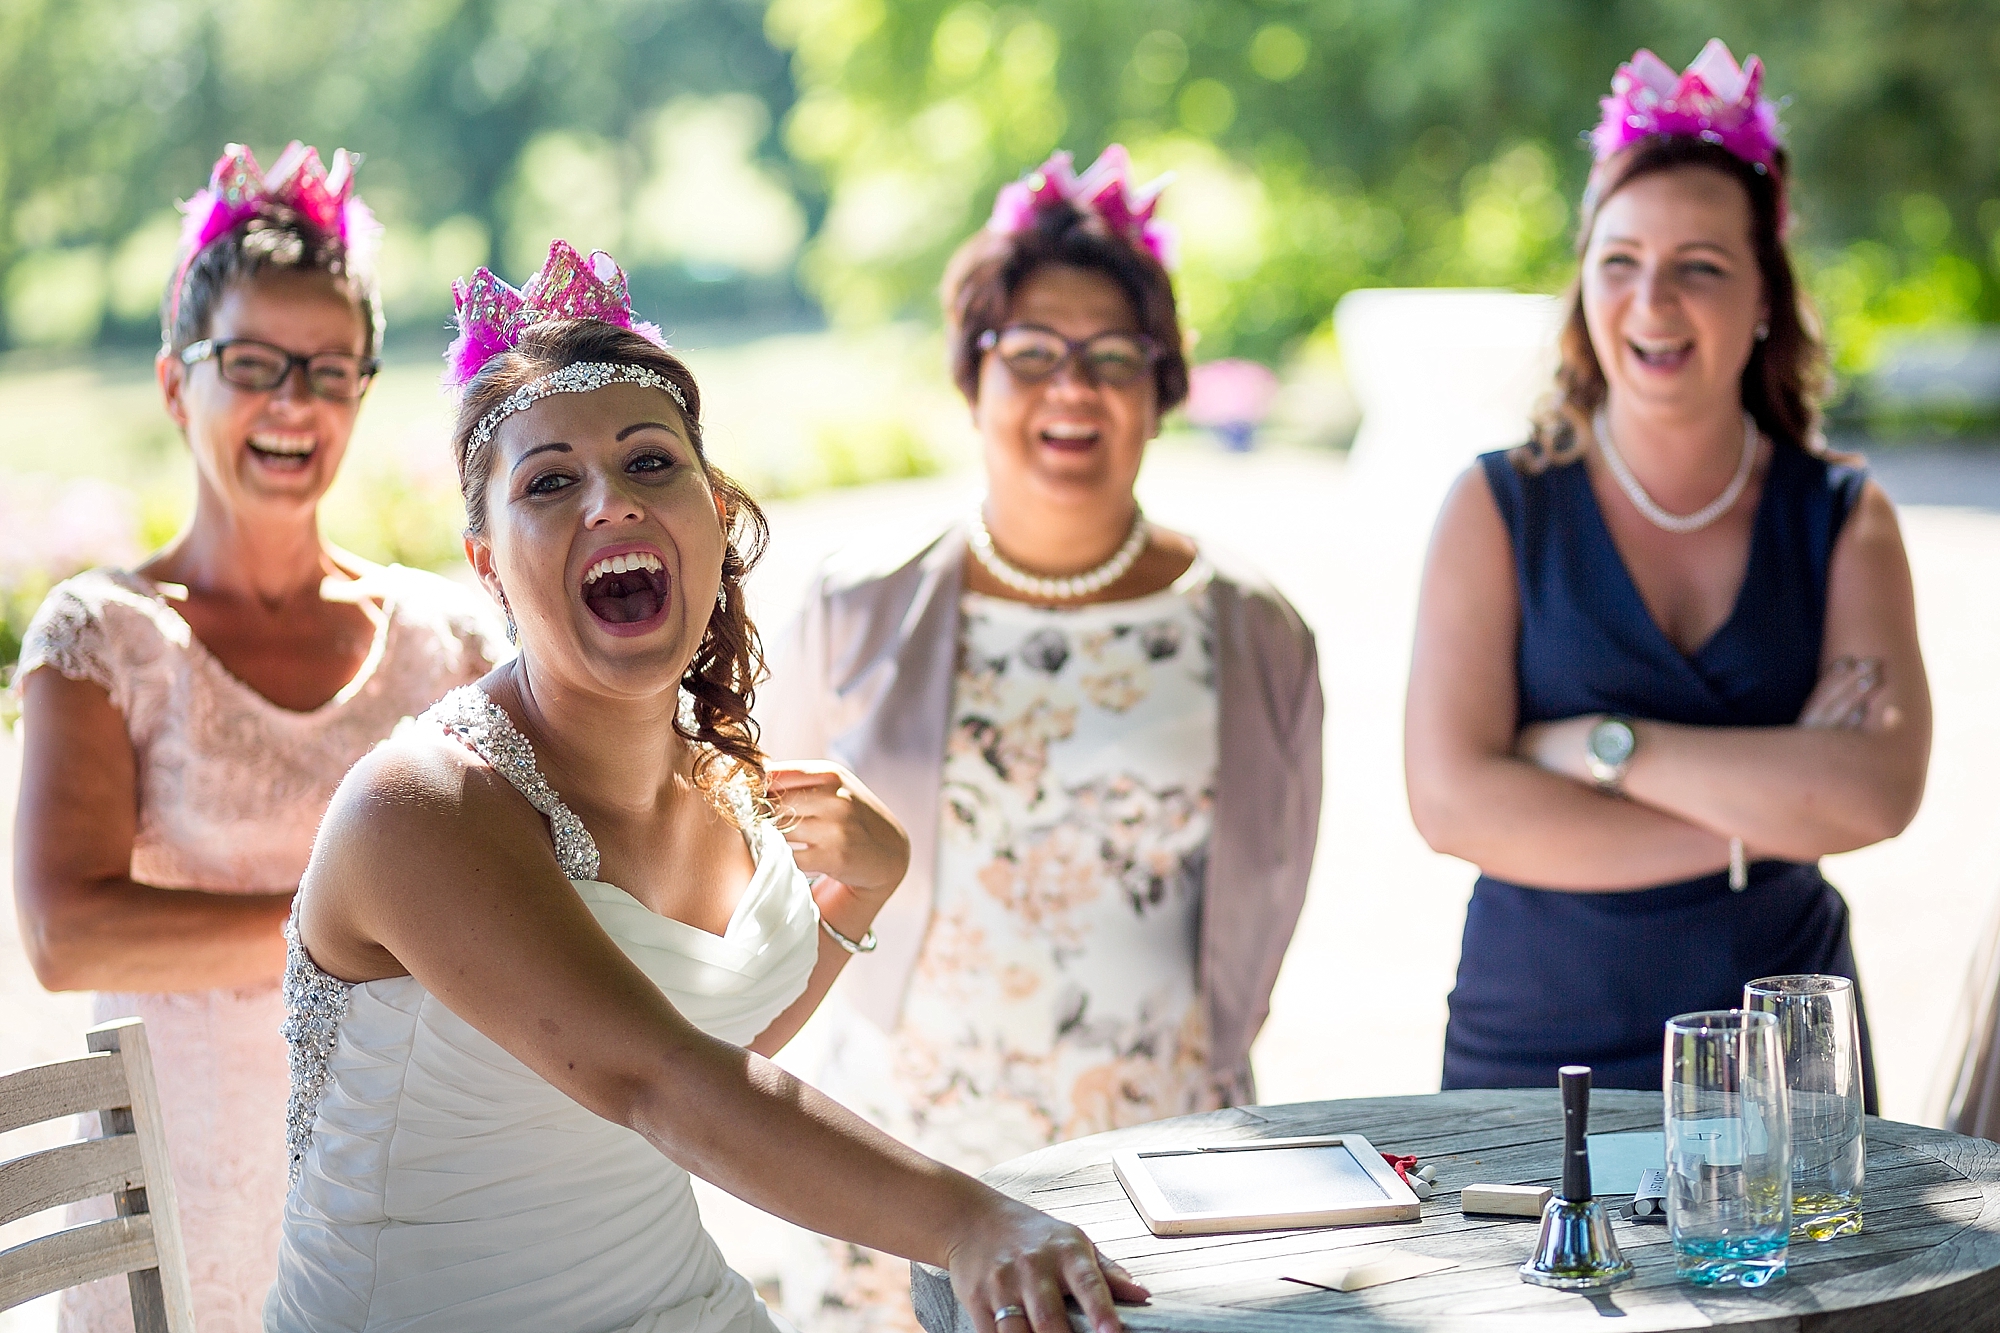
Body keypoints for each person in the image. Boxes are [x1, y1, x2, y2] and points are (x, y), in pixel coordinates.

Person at [264, 239, 1147, 1333]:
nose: (611, 504)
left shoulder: (719, 780)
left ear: (713, 513)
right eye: (549, 482)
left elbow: (714, 1045)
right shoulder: (421, 804)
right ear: (486, 558)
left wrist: (857, 898)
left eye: (649, 463)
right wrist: (969, 1221)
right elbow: (658, 1080)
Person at [758, 147, 1323, 1326]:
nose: (1073, 388)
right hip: (905, 1162)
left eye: (1112, 358)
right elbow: (772, 874)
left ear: (1160, 389)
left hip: (1159, 1167)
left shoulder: (1255, 630)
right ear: (974, 379)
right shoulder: (854, 605)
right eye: (1031, 355)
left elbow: (1269, 897)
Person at [12, 143, 503, 1332]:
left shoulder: (447, 635)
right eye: (252, 364)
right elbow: (67, 932)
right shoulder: (102, 638)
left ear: (362, 394)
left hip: (409, 1202)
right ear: (179, 386)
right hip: (181, 1209)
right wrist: (372, 923)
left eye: (329, 369)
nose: (293, 400)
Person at [1404, 42, 1930, 1100]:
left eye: (1698, 265)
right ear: (1582, 284)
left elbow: (1873, 792)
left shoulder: (1842, 518)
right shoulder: (1494, 507)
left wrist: (1596, 748)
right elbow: (1452, 803)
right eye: (1618, 259)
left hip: (1782, 1052)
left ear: (1764, 299)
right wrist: (1767, 807)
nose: (1650, 299)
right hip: (1533, 1051)